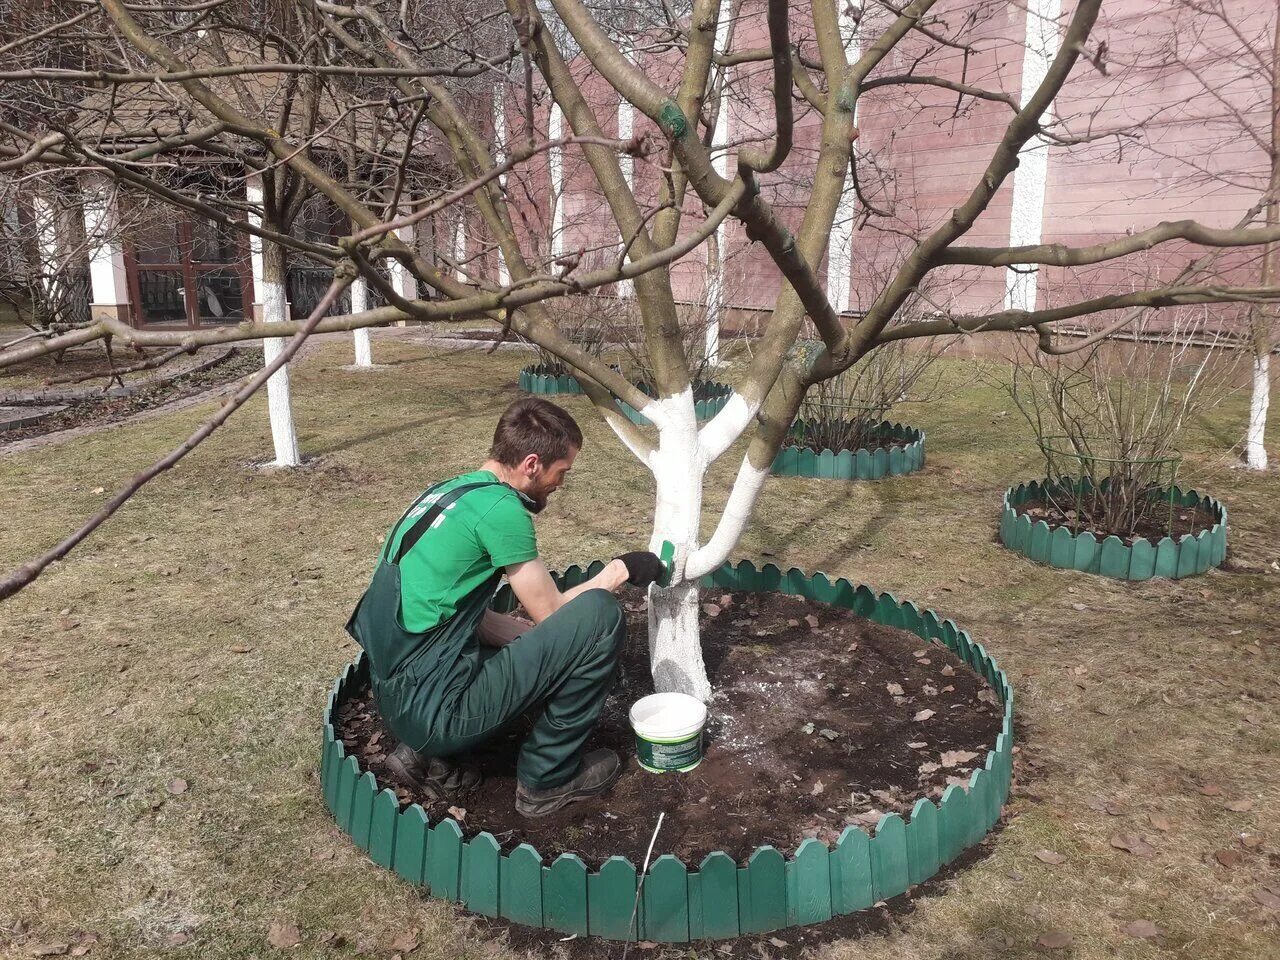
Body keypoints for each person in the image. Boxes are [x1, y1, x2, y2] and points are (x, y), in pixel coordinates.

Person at [345, 397, 665, 817]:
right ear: (532, 463)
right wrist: (619, 570)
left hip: (398, 700)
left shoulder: (447, 494)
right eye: (561, 471)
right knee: (600, 617)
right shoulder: (501, 511)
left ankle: (425, 755)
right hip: (435, 714)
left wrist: (539, 645)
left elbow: (459, 613)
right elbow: (556, 613)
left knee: (540, 640)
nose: (561, 483)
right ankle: (547, 780)